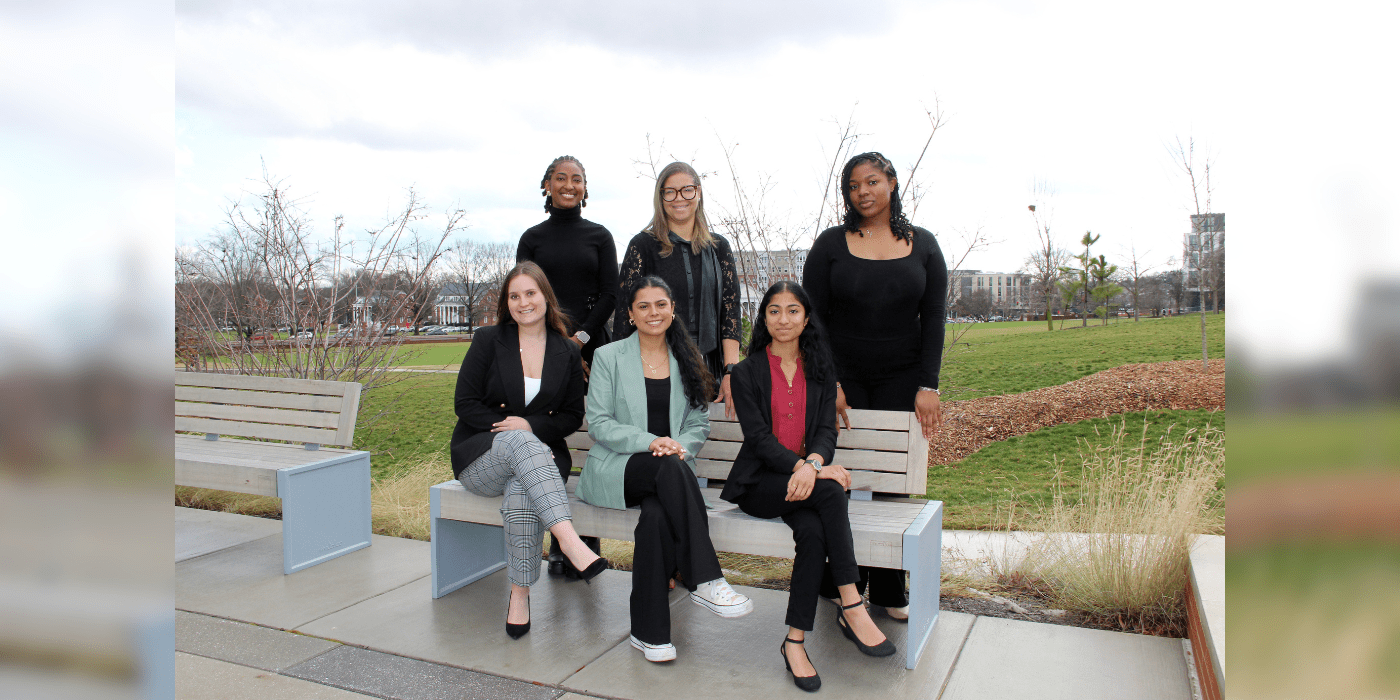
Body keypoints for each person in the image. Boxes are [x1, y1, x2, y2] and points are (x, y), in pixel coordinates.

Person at [723, 281, 895, 692]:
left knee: (814, 534)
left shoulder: (819, 369)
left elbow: (825, 431)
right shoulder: (746, 372)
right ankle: (851, 602)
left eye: (793, 311)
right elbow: (759, 439)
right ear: (763, 318)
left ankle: (794, 642)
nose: (784, 320)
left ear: (806, 318)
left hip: (804, 482)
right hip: (760, 485)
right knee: (833, 491)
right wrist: (807, 468)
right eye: (774, 311)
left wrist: (814, 463)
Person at [801, 151, 948, 620]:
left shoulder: (924, 245)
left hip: (902, 380)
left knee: (890, 485)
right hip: (842, 381)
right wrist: (830, 380)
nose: (862, 192)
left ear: (892, 182)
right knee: (838, 481)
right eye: (853, 186)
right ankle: (840, 582)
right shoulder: (829, 245)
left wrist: (929, 385)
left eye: (871, 182)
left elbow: (935, 319)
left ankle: (888, 589)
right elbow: (813, 320)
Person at [580, 276, 753, 662]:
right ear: (630, 314)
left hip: (668, 476)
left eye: (661, 305)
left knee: (657, 516)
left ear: (673, 310)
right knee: (669, 470)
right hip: (617, 469)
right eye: (643, 306)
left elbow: (698, 426)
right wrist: (651, 442)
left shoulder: (688, 360)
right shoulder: (609, 357)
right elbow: (600, 424)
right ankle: (706, 577)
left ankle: (649, 633)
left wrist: (679, 446)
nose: (653, 313)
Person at [449, 262, 608, 640]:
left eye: (530, 294)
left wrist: (532, 427)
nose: (523, 303)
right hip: (482, 456)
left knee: (524, 487)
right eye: (514, 296)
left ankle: (519, 596)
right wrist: (518, 430)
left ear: (545, 297)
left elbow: (572, 415)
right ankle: (569, 542)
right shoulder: (489, 339)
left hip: (539, 463)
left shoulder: (566, 352)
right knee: (521, 443)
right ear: (507, 302)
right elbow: (464, 402)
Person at [516, 154, 617, 575]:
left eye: (577, 179)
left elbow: (611, 294)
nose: (569, 185)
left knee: (594, 437)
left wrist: (579, 341)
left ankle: (587, 539)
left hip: (591, 348)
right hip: (542, 345)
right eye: (561, 178)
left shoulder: (600, 235)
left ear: (585, 188)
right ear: (547, 185)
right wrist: (556, 344)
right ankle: (558, 540)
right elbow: (523, 293)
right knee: (548, 435)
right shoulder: (532, 238)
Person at [614, 161, 741, 414]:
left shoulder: (719, 247)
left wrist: (731, 372)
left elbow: (730, 312)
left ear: (698, 192)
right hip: (654, 368)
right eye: (669, 191)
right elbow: (624, 316)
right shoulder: (642, 246)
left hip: (708, 370)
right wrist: (626, 376)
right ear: (660, 197)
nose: (679, 198)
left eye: (687, 190)